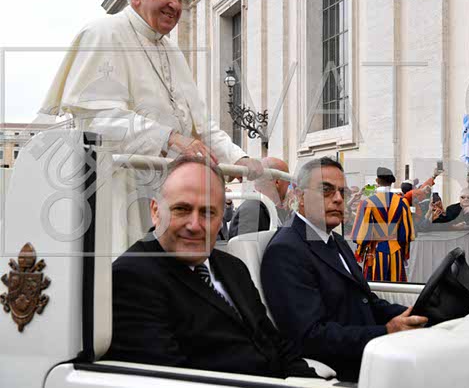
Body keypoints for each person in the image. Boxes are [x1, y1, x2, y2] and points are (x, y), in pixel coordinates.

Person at [39, 0, 262, 251]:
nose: (175, 5)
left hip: (171, 194)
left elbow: (201, 125)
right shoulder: (104, 33)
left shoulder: (172, 51)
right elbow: (96, 118)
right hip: (122, 190)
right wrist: (169, 138)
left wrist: (239, 157)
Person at [105, 156, 317, 379]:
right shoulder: (130, 278)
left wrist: (311, 382)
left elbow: (274, 342)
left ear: (221, 217)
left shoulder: (233, 267)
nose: (195, 225)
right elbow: (171, 379)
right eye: (181, 209)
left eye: (208, 212)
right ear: (156, 211)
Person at [260, 157, 427, 382]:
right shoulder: (286, 250)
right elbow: (310, 336)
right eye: (326, 190)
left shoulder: (335, 241)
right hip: (344, 370)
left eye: (342, 191)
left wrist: (414, 314)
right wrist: (386, 331)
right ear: (299, 196)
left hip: (372, 353)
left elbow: (367, 301)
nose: (338, 199)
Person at [351, 167, 416, 282]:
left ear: (377, 181)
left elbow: (363, 235)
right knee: (396, 286)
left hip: (376, 252)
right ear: (391, 183)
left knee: (376, 286)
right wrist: (404, 253)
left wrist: (360, 252)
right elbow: (405, 233)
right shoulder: (402, 202)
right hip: (396, 252)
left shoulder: (368, 203)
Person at [229, 157, 291, 236]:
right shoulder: (252, 211)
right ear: (277, 182)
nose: (289, 184)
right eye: (288, 180)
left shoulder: (272, 208)